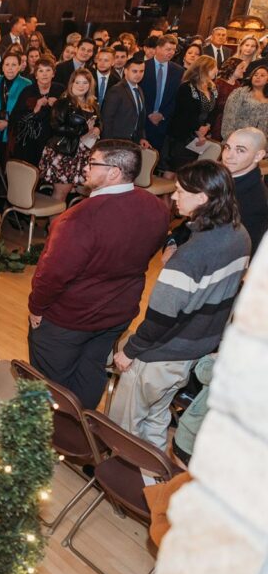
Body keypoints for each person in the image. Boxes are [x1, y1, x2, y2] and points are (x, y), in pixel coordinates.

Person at [109, 161, 250, 450]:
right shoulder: (241, 236)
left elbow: (162, 317)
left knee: (124, 428)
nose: (174, 197)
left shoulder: (189, 258)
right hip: (194, 350)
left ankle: (119, 484)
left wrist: (131, 350)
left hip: (160, 354)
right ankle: (152, 484)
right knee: (156, 419)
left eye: (180, 191)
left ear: (202, 198)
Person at [28, 140, 171, 410]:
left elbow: (53, 275)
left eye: (93, 163)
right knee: (92, 369)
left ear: (114, 172)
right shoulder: (157, 208)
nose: (85, 168)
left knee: (50, 382)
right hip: (117, 314)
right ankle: (80, 432)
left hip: (68, 318)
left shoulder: (79, 219)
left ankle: (50, 437)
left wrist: (36, 307)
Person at [39, 68, 101, 202]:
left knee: (77, 195)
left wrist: (98, 128)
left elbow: (99, 121)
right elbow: (56, 127)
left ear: (90, 85)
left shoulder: (92, 104)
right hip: (64, 154)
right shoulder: (63, 102)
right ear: (71, 83)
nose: (81, 86)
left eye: (85, 83)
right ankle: (57, 223)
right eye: (77, 82)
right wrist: (84, 129)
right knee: (60, 196)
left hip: (83, 153)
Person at [163, 56, 218, 177]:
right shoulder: (187, 87)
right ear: (204, 69)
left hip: (201, 134)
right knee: (174, 168)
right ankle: (166, 196)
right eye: (214, 68)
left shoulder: (212, 88)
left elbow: (214, 111)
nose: (217, 71)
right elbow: (185, 113)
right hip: (183, 134)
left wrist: (207, 126)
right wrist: (199, 130)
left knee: (187, 170)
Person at [9, 57, 64, 167]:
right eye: (41, 71)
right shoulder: (27, 91)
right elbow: (15, 119)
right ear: (36, 75)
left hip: (53, 140)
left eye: (48, 70)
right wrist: (36, 109)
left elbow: (66, 115)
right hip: (30, 141)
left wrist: (58, 106)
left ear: (53, 74)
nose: (45, 74)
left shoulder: (60, 89)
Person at [222, 127, 268, 253]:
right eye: (227, 147)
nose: (228, 156)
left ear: (258, 156)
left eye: (240, 150)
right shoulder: (219, 180)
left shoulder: (255, 201)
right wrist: (173, 242)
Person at [140, 34, 184, 152]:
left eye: (173, 50)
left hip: (163, 121)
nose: (171, 53)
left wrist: (162, 114)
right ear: (158, 48)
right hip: (143, 120)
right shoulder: (143, 67)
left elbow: (176, 97)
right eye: (168, 49)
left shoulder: (178, 70)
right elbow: (140, 94)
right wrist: (149, 113)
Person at [101, 55, 152, 148]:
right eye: (134, 71)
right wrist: (108, 144)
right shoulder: (116, 90)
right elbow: (107, 120)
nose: (138, 74)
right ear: (125, 71)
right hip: (116, 142)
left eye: (141, 71)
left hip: (133, 142)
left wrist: (141, 137)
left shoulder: (139, 89)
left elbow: (139, 117)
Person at [221, 65, 268, 139]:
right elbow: (229, 115)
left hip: (255, 143)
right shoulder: (240, 92)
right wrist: (229, 137)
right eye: (255, 75)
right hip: (235, 138)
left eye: (262, 75)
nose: (257, 77)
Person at [211, 56, 247, 140]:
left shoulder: (237, 84)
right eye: (241, 68)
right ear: (232, 68)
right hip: (218, 121)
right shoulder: (218, 83)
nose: (244, 70)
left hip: (232, 122)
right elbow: (214, 106)